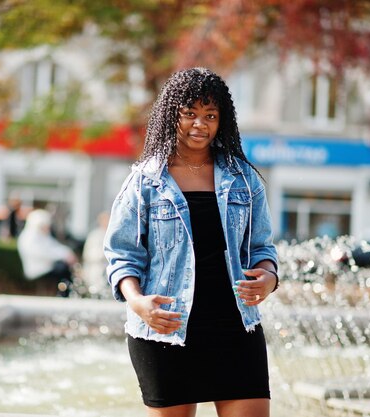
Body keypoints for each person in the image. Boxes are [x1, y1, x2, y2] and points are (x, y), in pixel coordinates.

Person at [103, 67, 279, 417]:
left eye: (210, 116)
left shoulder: (245, 179)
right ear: (173, 116)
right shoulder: (145, 182)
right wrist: (137, 302)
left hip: (234, 328)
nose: (201, 124)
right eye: (190, 114)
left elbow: (262, 248)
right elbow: (122, 255)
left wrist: (269, 277)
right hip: (166, 328)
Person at [17, 209, 77, 297]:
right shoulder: (29, 237)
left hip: (47, 267)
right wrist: (63, 256)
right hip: (38, 270)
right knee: (61, 268)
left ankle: (67, 293)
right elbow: (42, 253)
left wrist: (68, 254)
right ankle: (63, 294)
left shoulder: (42, 235)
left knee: (65, 268)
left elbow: (56, 247)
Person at [81, 211, 111, 297]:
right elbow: (89, 254)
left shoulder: (112, 233)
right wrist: (103, 255)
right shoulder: (95, 235)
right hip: (97, 266)